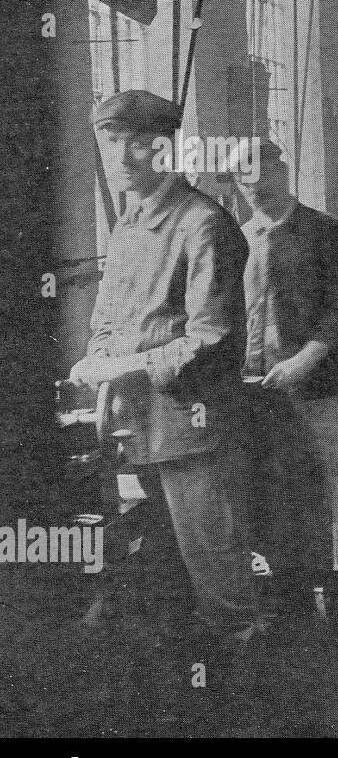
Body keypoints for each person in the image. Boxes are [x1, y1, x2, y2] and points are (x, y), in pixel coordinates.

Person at [70, 89, 259, 649]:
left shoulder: (203, 224)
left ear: (164, 149)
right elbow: (106, 322)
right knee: (154, 573)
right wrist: (96, 360)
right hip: (132, 429)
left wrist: (123, 364)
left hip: (190, 432)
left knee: (220, 581)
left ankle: (255, 697)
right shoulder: (128, 226)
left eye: (136, 144)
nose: (122, 158)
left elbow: (213, 340)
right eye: (111, 144)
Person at [232, 141, 338, 630]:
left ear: (283, 170)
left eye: (262, 175)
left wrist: (308, 358)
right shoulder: (238, 238)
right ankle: (289, 602)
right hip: (260, 392)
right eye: (242, 180)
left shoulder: (327, 233)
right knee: (280, 496)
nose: (253, 187)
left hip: (323, 387)